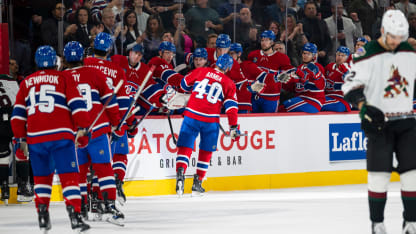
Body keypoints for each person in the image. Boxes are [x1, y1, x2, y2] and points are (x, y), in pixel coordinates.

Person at [341, 10, 416, 234]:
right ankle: (378, 223)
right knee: (378, 178)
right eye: (392, 36)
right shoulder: (367, 53)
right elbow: (350, 85)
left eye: (400, 37)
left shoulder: (409, 51)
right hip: (379, 125)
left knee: (412, 177)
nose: (395, 41)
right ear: (383, 31)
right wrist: (364, 107)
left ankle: (411, 223)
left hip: (407, 122)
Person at [10, 45, 90, 233]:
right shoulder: (64, 77)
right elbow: (77, 105)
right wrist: (83, 128)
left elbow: (17, 116)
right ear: (55, 61)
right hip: (61, 136)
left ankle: (43, 217)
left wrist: (20, 138)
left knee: (41, 179)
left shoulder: (26, 82)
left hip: (36, 139)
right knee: (69, 177)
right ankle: (75, 217)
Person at [62, 41, 124, 225]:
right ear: (82, 56)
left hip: (75, 134)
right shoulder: (95, 72)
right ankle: (109, 206)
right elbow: (110, 103)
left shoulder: (61, 78)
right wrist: (116, 124)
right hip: (97, 130)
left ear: (65, 59)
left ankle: (80, 209)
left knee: (79, 172)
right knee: (104, 168)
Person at [175, 54, 241, 197]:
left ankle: (180, 173)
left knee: (185, 146)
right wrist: (234, 127)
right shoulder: (229, 83)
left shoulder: (202, 71)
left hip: (191, 115)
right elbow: (231, 108)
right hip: (210, 120)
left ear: (216, 63)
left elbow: (183, 85)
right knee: (206, 151)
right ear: (228, 68)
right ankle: (197, 183)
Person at [83, 32, 130, 222]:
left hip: (80, 122)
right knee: (102, 165)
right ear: (109, 49)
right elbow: (124, 102)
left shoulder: (84, 64)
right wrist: (120, 124)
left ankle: (85, 205)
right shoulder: (117, 70)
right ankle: (103, 203)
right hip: (104, 122)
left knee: (83, 167)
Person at [242, 30, 292, 113]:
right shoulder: (253, 55)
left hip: (271, 97)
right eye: (262, 40)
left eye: (266, 40)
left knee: (270, 124)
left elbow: (288, 74)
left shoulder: (282, 58)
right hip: (254, 96)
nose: (263, 42)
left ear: (272, 42)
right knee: (253, 123)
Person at [280, 43, 326, 113]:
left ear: (314, 56)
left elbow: (321, 85)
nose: (305, 56)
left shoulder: (317, 67)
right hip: (301, 99)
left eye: (308, 54)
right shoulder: (300, 67)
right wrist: (284, 82)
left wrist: (317, 75)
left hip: (313, 102)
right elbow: (294, 88)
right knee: (282, 105)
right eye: (304, 53)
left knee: (285, 107)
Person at [321, 46, 351, 112]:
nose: (339, 57)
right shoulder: (329, 66)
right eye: (338, 54)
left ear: (347, 58)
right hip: (329, 97)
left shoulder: (348, 68)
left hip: (342, 100)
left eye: (343, 55)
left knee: (317, 103)